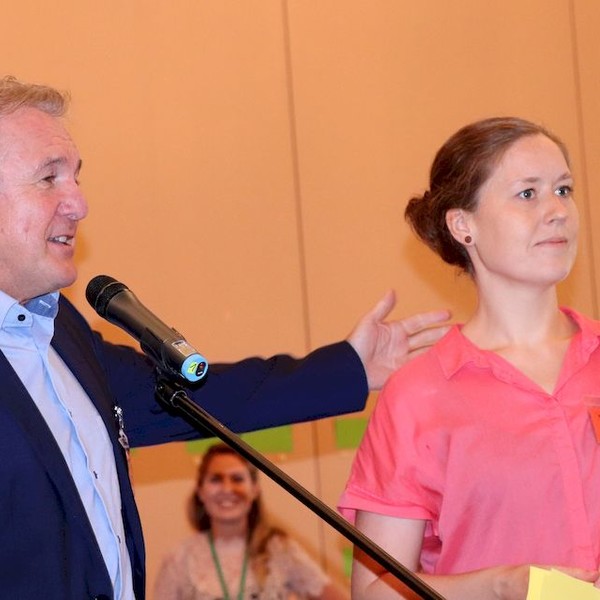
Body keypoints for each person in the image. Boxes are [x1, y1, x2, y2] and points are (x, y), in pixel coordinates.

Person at [0, 74, 451, 600]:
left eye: (76, 177)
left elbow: (198, 398)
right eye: (49, 178)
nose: (79, 203)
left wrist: (350, 367)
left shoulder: (62, 335)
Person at [339, 116, 600, 600]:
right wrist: (499, 587)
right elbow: (375, 594)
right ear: (463, 225)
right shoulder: (419, 395)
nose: (557, 211)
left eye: (564, 190)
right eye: (528, 193)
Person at [154, 443, 349, 600]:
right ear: (200, 491)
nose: (227, 489)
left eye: (237, 479)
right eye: (216, 479)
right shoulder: (178, 561)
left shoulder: (279, 550)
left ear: (255, 489)